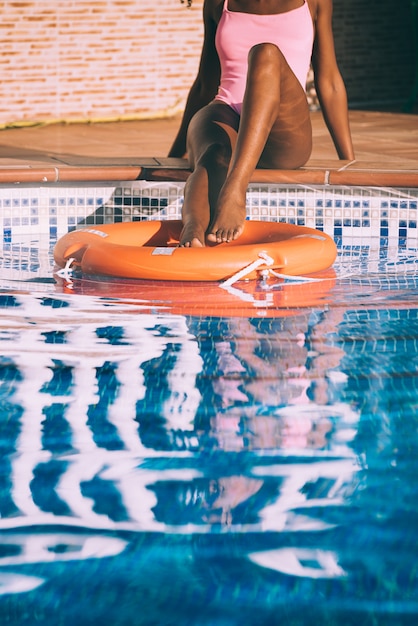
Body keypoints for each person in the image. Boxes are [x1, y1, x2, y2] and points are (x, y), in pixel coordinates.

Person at [170, 0, 355, 247]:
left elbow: (329, 81)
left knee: (265, 53)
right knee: (213, 153)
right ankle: (193, 228)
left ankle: (235, 192)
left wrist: (348, 160)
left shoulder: (313, 2)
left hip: (284, 130)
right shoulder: (218, 3)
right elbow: (206, 83)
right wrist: (171, 157)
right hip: (227, 110)